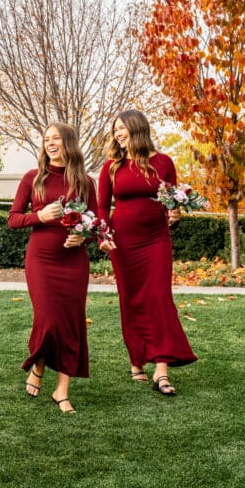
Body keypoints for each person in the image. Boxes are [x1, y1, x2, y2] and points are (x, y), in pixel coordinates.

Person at [97, 109, 197, 396]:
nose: (117, 134)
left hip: (156, 240)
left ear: (137, 129)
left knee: (159, 297)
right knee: (131, 299)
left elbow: (171, 200)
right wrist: (104, 235)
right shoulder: (111, 167)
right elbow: (103, 207)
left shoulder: (164, 162)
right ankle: (136, 359)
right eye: (115, 130)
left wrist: (175, 213)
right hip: (123, 242)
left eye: (121, 129)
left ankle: (161, 370)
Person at [8, 123, 101, 413]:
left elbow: (96, 225)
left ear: (68, 143)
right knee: (48, 319)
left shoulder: (85, 182)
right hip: (42, 260)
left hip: (73, 262)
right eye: (46, 139)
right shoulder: (32, 179)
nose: (50, 143)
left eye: (56, 139)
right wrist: (39, 215)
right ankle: (37, 364)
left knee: (71, 324)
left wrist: (83, 237)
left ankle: (62, 390)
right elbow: (13, 219)